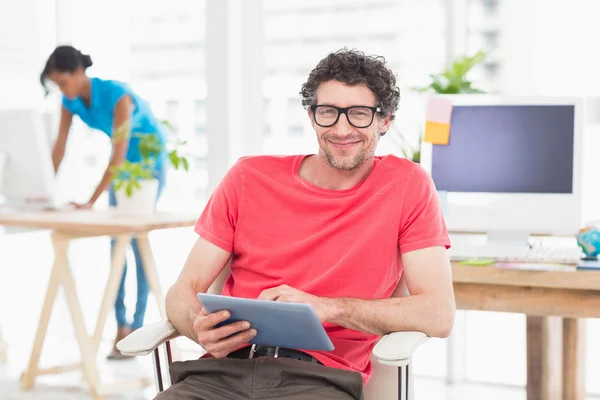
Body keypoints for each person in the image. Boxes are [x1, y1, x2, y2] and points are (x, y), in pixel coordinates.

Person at [160, 48, 455, 400]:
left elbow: (438, 314)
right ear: (312, 117)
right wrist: (198, 326)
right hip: (218, 373)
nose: (341, 129)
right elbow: (182, 290)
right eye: (328, 112)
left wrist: (328, 307)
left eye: (359, 114)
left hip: (317, 379)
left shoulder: (408, 185)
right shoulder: (248, 177)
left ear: (385, 120)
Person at [40, 45, 167, 360]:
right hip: (122, 171)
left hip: (146, 166)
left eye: (63, 81)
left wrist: (90, 201)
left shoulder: (118, 96)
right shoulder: (69, 101)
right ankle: (120, 327)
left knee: (137, 244)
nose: (62, 89)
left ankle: (134, 330)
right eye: (56, 84)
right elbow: (59, 146)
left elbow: (119, 153)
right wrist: (42, 188)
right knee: (117, 246)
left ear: (79, 72)